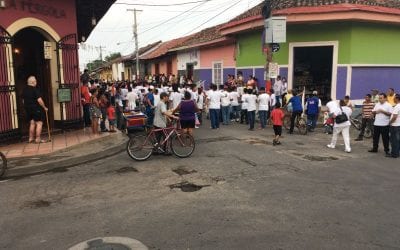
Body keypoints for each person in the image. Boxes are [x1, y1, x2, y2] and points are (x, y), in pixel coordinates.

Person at [23, 76, 48, 144]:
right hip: (36, 108)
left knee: (32, 123)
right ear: (33, 82)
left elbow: (23, 101)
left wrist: (26, 107)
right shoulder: (34, 89)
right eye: (36, 81)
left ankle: (30, 139)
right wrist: (44, 107)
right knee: (39, 123)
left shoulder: (24, 90)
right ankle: (38, 139)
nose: (36, 82)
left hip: (28, 109)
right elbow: (39, 100)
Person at [388, 94, 400, 158]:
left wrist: (390, 122)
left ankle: (394, 154)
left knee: (394, 140)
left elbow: (394, 117)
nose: (393, 99)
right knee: (398, 140)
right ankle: (397, 153)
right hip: (398, 125)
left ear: (397, 99)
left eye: (394, 98)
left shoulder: (397, 106)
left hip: (395, 126)